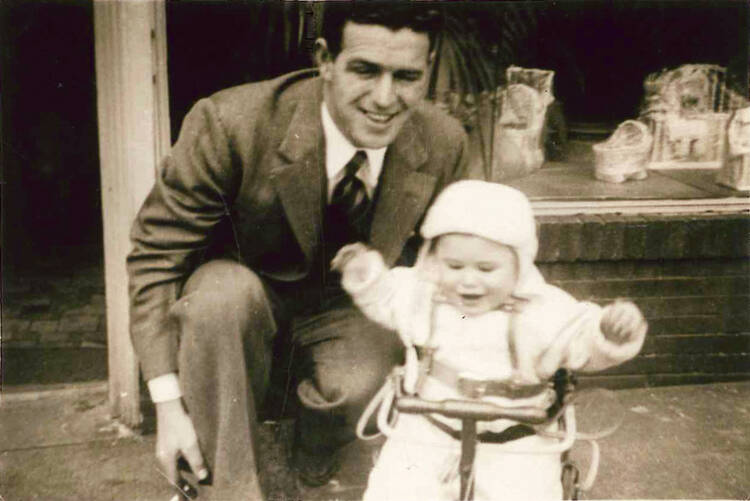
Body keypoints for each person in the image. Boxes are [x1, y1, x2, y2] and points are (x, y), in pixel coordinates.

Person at [126, 3, 469, 500]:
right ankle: (229, 490)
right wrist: (168, 408)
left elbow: (461, 269)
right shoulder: (230, 124)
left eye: (407, 77)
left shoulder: (443, 143)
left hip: (354, 310)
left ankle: (315, 458)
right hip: (242, 303)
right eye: (365, 70)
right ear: (326, 59)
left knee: (373, 354)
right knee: (218, 296)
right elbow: (156, 257)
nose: (385, 98)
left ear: (429, 69)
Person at [333, 180, 648, 500]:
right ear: (434, 260)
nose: (469, 280)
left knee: (527, 492)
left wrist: (608, 334)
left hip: (516, 439)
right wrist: (366, 276)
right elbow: (387, 295)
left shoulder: (541, 309)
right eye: (454, 266)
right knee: (396, 489)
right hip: (429, 429)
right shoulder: (424, 295)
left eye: (487, 268)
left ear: (518, 266)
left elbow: (580, 342)